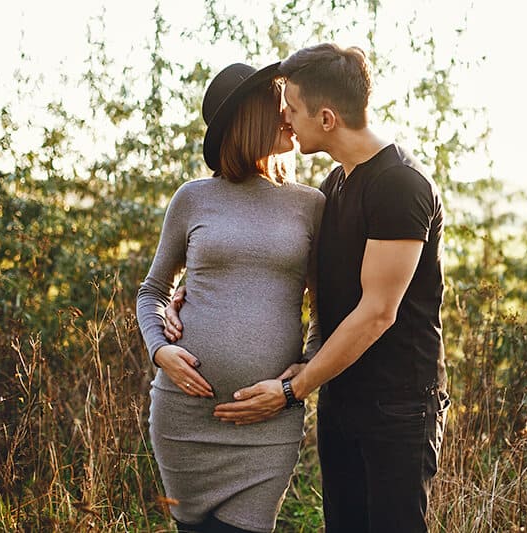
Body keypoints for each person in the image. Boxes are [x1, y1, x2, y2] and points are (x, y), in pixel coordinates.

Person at [167, 44, 449, 533]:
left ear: (325, 117)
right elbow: (298, 281)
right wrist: (192, 297)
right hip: (341, 398)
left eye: (291, 107)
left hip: (398, 407)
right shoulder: (333, 185)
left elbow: (377, 312)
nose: (283, 117)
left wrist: (292, 389)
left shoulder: (400, 185)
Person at [136, 61, 325, 533]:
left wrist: (306, 367)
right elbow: (154, 290)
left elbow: (327, 306)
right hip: (184, 418)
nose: (288, 111)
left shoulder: (310, 205)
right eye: (278, 101)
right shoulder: (192, 199)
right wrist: (160, 350)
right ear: (251, 116)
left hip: (267, 425)